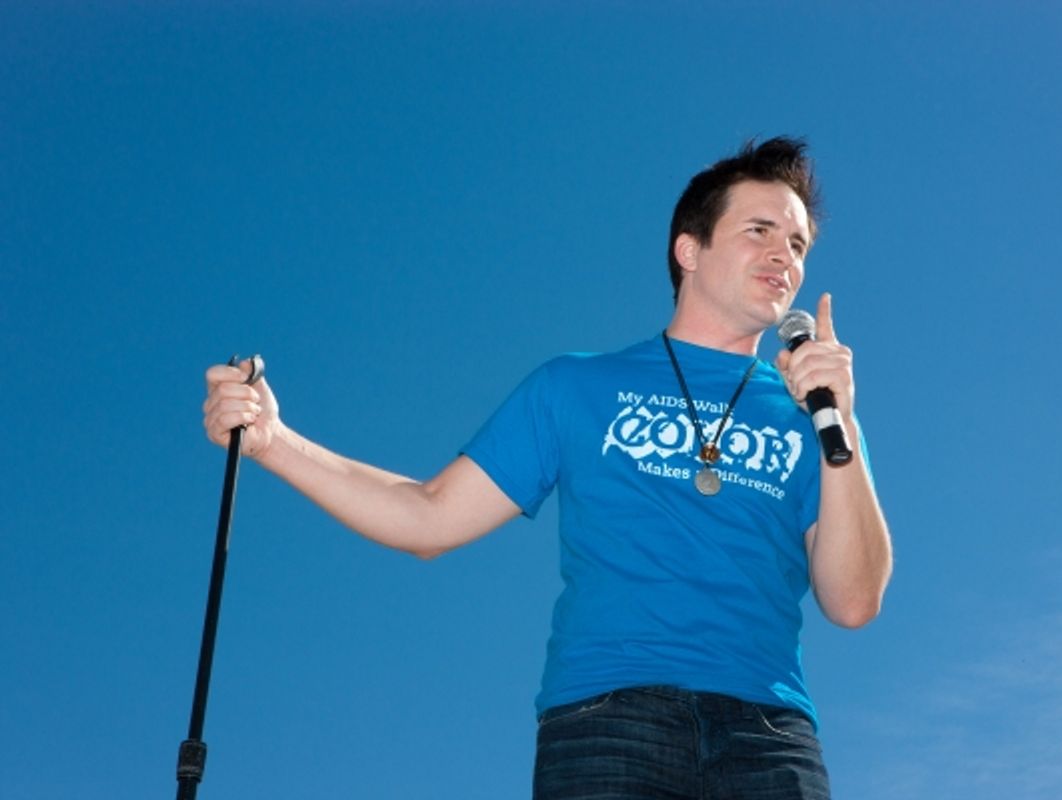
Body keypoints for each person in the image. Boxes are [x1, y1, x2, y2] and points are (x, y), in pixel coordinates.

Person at [203, 136, 892, 799]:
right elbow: (429, 516)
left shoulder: (816, 417)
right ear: (689, 248)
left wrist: (843, 425)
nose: (785, 256)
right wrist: (272, 440)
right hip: (608, 728)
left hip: (770, 740)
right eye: (761, 231)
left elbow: (853, 601)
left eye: (798, 244)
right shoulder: (574, 388)